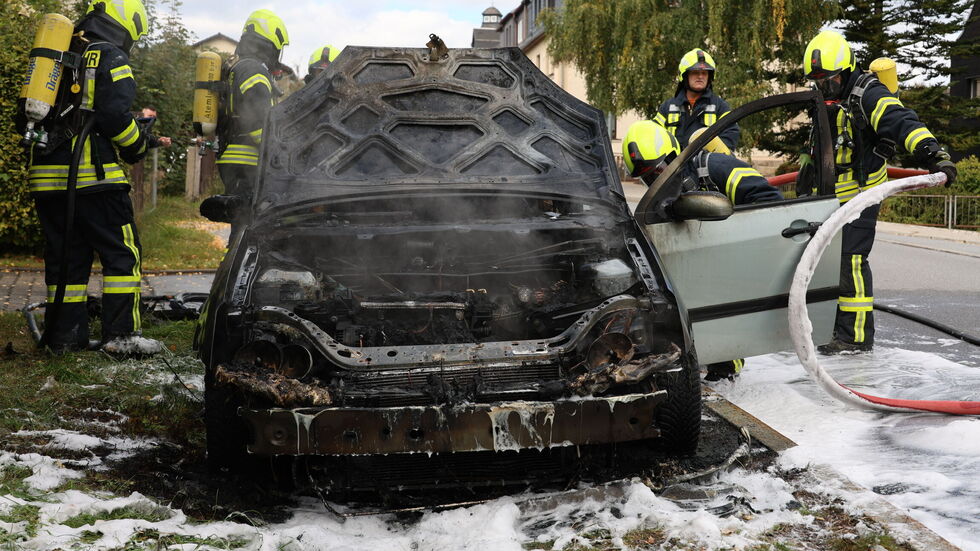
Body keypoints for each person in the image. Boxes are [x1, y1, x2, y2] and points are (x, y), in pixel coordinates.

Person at [800, 30, 957, 354]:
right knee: (828, 263)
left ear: (846, 69)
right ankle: (834, 328)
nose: (825, 88)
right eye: (819, 82)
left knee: (851, 261)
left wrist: (934, 155)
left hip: (861, 196)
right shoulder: (831, 99)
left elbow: (903, 123)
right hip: (833, 198)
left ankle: (854, 338)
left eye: (829, 80)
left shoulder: (867, 94)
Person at [17, 0, 158, 353]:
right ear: (127, 25)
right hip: (93, 179)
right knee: (123, 254)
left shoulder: (61, 52)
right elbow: (113, 115)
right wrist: (138, 145)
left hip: (48, 180)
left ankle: (63, 338)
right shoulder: (110, 55)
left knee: (68, 257)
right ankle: (122, 336)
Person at [623, 120, 782, 381]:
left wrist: (733, 234)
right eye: (649, 176)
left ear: (675, 155)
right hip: (706, 271)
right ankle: (717, 366)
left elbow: (770, 201)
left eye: (660, 168)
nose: (657, 179)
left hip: (743, 255)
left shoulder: (715, 167)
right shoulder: (658, 201)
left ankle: (727, 369)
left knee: (727, 327)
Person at [215, 9, 289, 201]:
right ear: (270, 45)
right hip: (247, 161)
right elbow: (258, 120)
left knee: (242, 223)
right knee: (249, 223)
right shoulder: (253, 70)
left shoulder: (239, 67)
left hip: (234, 159)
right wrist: (280, 151)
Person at [654, 48, 739, 152]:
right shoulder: (667, 108)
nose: (700, 76)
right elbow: (654, 136)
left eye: (704, 73)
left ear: (709, 77)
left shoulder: (720, 107)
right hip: (674, 166)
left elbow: (730, 136)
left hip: (705, 167)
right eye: (695, 72)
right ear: (685, 76)